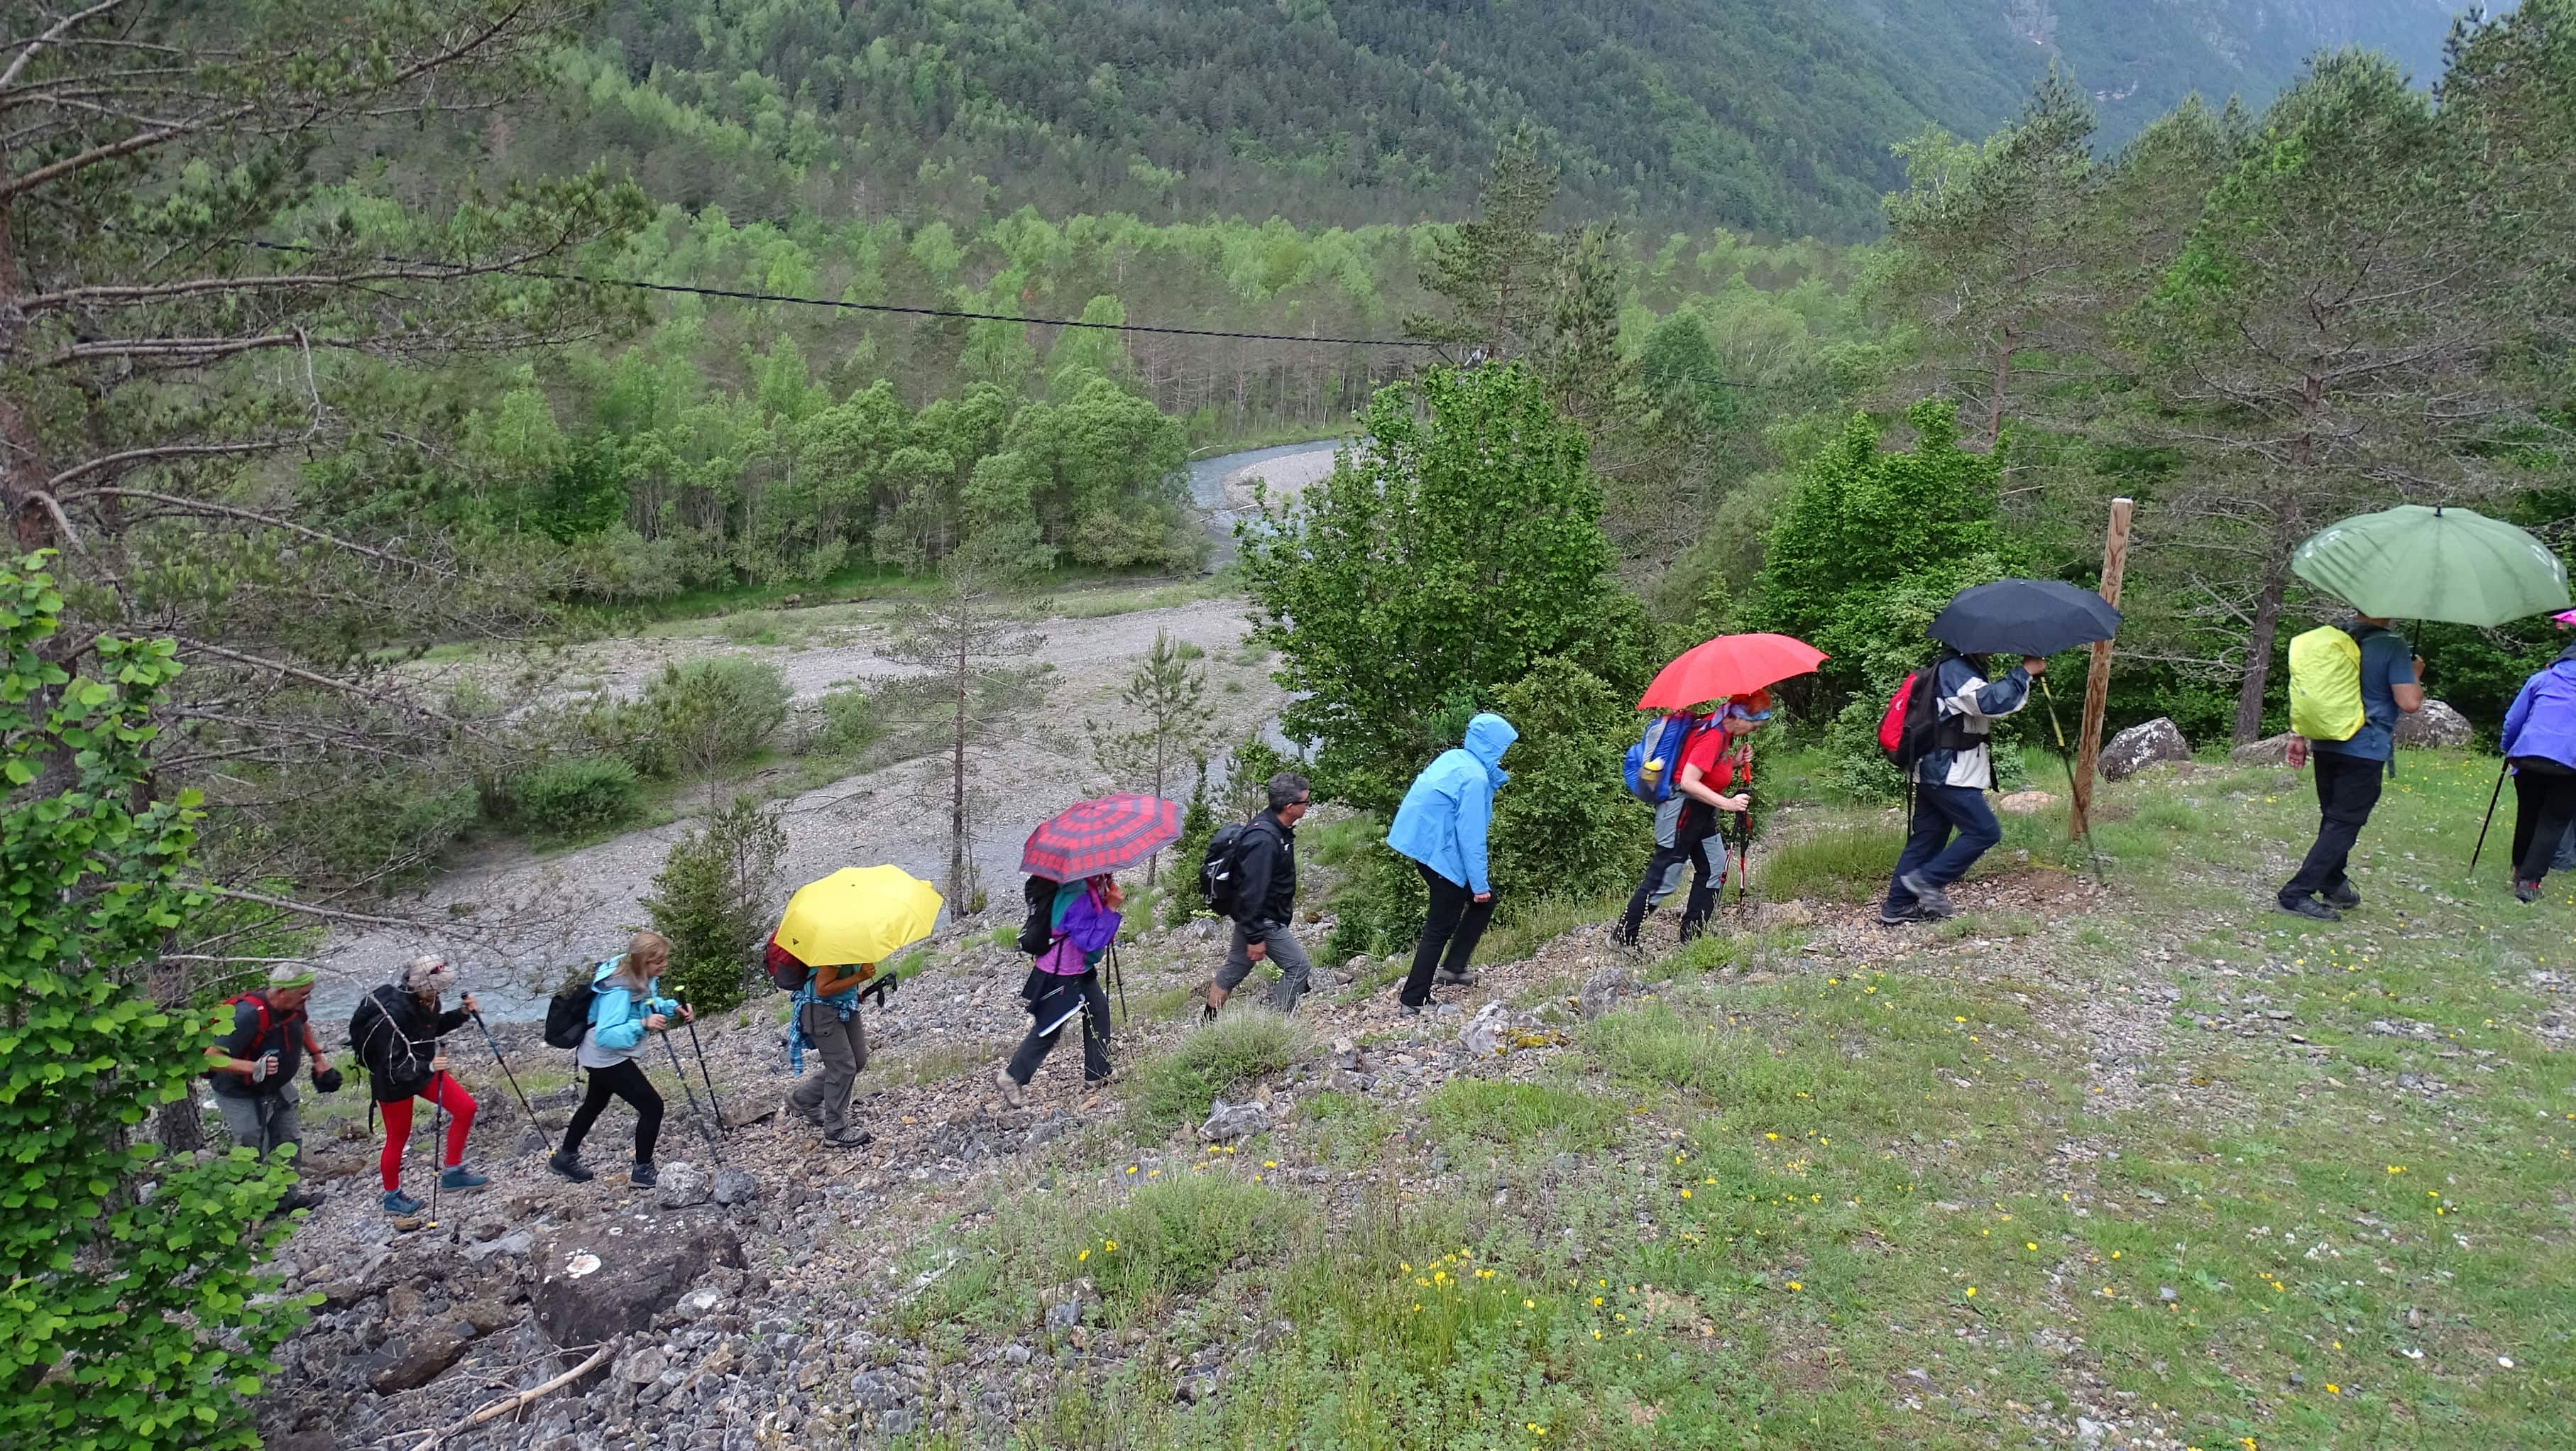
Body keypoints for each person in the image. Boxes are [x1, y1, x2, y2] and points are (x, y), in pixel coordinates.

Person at [1882, 653, 2044, 924]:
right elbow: (1988, 702)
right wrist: (2024, 672)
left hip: (1936, 770)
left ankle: (1897, 907)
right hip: (1949, 774)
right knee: (1984, 831)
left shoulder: (1955, 666)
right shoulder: (1955, 670)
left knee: (1927, 838)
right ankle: (1927, 881)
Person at [2279, 615, 2423, 921]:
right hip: (2364, 746)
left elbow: (2308, 687)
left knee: (2334, 819)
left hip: (2326, 739)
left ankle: (2333, 883)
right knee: (2344, 822)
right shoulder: (2391, 645)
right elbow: (2409, 702)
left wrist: (2298, 734)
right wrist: (2414, 673)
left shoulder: (2335, 637)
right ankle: (2297, 893)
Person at [1615, 692, 1770, 948]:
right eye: (1754, 726)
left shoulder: (1723, 730)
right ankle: (1623, 938)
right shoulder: (1713, 735)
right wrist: (1728, 803)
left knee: (1714, 867)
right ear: (1739, 718)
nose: (1754, 731)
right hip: (1680, 813)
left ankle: (1693, 936)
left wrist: (1733, 762)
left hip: (1702, 812)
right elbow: (1688, 781)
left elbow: (1708, 768)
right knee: (1662, 880)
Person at [1387, 711, 1518, 1014]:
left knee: (1485, 902)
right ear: (1492, 746)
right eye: (1502, 748)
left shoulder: (1456, 758)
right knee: (1439, 927)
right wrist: (1479, 884)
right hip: (1441, 856)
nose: (1504, 755)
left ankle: (1454, 968)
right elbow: (1471, 838)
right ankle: (1414, 1000)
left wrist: (1480, 889)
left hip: (1426, 849)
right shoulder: (1475, 779)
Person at [350, 956, 486, 1215]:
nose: (440, 992)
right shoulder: (394, 1012)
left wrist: (462, 1014)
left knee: (466, 1108)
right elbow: (393, 1064)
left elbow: (431, 1028)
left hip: (422, 1070)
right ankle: (392, 1198)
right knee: (398, 1138)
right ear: (424, 985)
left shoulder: (428, 999)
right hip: (393, 1082)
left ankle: (453, 1172)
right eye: (438, 988)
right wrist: (431, 1067)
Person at [549, 931, 688, 1186]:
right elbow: (606, 1035)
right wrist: (643, 1025)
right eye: (658, 961)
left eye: (664, 959)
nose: (664, 965)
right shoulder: (618, 989)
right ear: (642, 961)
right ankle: (643, 1171)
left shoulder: (638, 974)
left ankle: (564, 1158)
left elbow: (646, 1001)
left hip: (599, 1054)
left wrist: (671, 1008)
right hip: (603, 1055)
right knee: (652, 1106)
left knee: (595, 1103)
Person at [205, 963, 341, 1213]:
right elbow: (211, 1058)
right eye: (303, 993)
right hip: (239, 1091)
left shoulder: (294, 1006)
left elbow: (303, 1025)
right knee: (250, 1147)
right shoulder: (247, 1015)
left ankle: (286, 1201)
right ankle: (250, 1209)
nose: (308, 999)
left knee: (289, 1140)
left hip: (277, 1086)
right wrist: (254, 1068)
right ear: (281, 991)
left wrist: (318, 1058)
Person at [993, 874, 1123, 1107]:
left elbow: (1086, 927)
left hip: (1077, 967)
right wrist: (1111, 909)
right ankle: (1012, 1077)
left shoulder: (1083, 885)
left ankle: (1098, 1071)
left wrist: (1104, 899)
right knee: (1050, 1027)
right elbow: (1091, 941)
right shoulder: (1076, 894)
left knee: (1098, 1009)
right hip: (1061, 971)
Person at [1207, 772, 1314, 1015]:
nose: (1308, 806)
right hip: (1263, 919)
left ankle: (1207, 1023)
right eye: (1306, 802)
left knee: (1235, 967)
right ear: (1289, 807)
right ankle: (1273, 1022)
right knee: (1298, 966)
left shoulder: (1274, 827)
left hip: (1254, 917)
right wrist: (1255, 936)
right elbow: (1251, 892)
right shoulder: (1264, 840)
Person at [2499, 642, 2576, 902]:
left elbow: (2513, 720)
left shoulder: (2541, 679)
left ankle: (2520, 869)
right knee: (2553, 821)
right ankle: (2529, 881)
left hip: (2529, 755)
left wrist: (2508, 748)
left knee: (2528, 814)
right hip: (2570, 763)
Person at [786, 954, 876, 1147]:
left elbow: (841, 977)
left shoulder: (857, 945)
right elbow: (822, 988)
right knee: (843, 1066)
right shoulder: (836, 949)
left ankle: (805, 1098)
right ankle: (835, 1130)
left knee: (857, 1060)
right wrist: (859, 977)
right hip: (820, 1010)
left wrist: (853, 990)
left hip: (844, 1005)